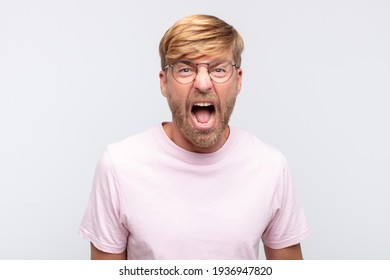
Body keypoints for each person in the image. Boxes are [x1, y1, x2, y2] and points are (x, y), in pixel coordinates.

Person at [79, 14, 309, 260]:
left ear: (238, 80)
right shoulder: (119, 165)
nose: (202, 83)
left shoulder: (270, 166)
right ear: (164, 83)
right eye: (185, 69)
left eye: (219, 69)